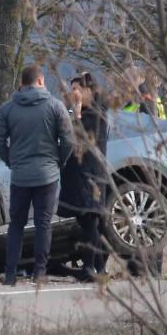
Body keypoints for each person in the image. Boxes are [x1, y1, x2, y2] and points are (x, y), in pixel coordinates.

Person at [0, 64, 74, 286]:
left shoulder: (8, 109)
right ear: (41, 81)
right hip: (47, 174)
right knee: (43, 223)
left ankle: (10, 274)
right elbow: (68, 140)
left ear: (22, 83)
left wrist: (11, 160)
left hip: (20, 176)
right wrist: (59, 161)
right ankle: (39, 272)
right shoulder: (55, 106)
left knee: (16, 224)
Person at [57, 72, 109, 282]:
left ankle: (91, 269)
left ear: (90, 90)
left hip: (91, 175)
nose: (74, 93)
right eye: (72, 89)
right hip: (80, 175)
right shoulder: (85, 112)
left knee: (90, 222)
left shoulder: (96, 114)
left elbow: (81, 139)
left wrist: (76, 112)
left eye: (77, 89)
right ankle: (98, 268)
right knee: (88, 223)